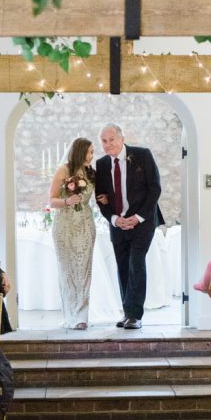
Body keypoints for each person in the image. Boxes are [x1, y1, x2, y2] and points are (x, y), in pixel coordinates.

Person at [95, 123, 163, 330]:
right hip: (118, 224)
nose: (108, 145)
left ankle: (135, 314)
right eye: (104, 141)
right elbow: (101, 198)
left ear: (122, 138)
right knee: (122, 266)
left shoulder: (142, 155)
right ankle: (127, 312)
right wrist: (115, 219)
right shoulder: (102, 164)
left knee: (136, 262)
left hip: (143, 222)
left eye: (111, 140)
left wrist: (138, 217)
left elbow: (155, 188)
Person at [48, 137, 97, 329]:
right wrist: (68, 201)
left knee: (84, 269)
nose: (92, 156)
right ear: (80, 152)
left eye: (93, 152)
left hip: (84, 224)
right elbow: (51, 201)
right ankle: (70, 314)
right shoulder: (64, 170)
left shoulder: (91, 173)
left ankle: (82, 316)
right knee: (67, 270)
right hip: (64, 225)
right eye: (90, 152)